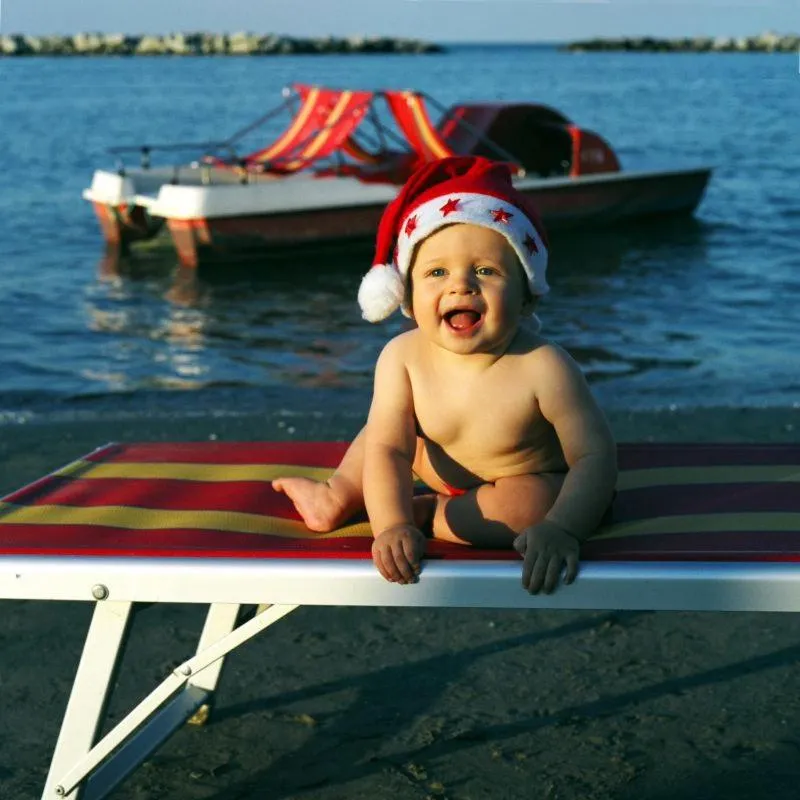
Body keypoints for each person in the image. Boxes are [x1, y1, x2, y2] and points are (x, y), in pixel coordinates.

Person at [273, 155, 618, 594]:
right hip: (433, 461)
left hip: (516, 479)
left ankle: (426, 514)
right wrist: (389, 526)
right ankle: (337, 494)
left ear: (527, 298)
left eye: (486, 271)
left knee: (530, 507)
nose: (461, 285)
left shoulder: (543, 365)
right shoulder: (402, 356)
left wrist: (564, 528)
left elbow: (595, 456)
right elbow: (388, 451)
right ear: (407, 297)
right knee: (384, 434)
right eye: (437, 272)